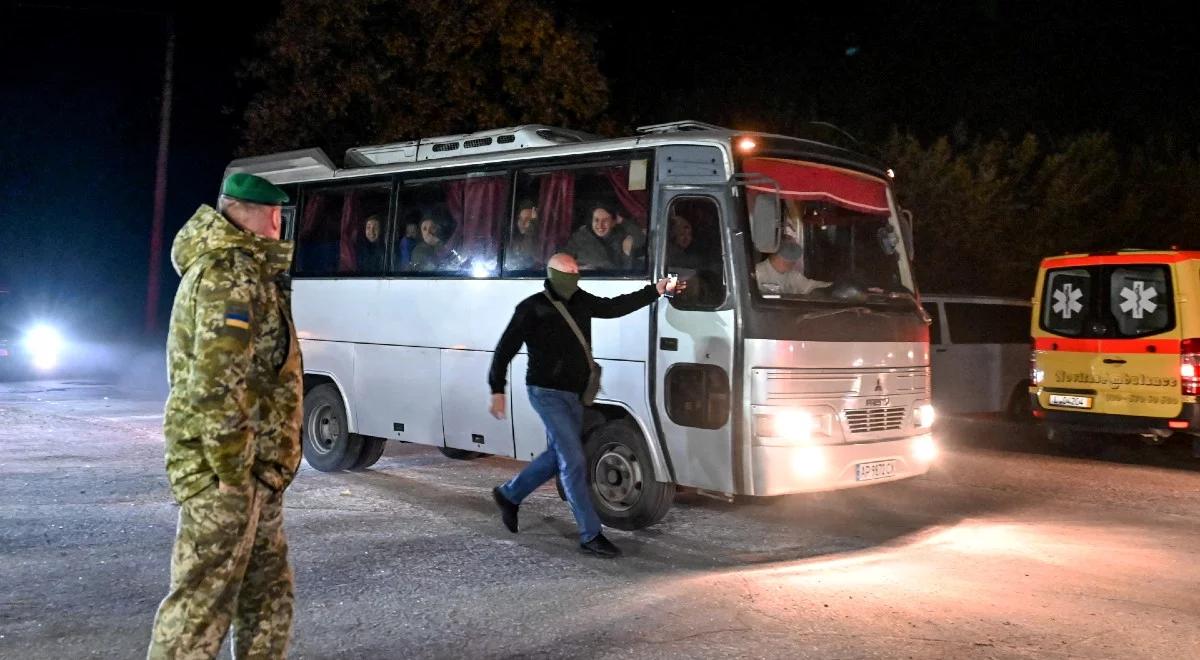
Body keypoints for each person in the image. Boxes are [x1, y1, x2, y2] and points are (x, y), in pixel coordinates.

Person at [148, 172, 303, 659]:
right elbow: (216, 385)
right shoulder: (228, 274)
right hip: (228, 476)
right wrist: (233, 473)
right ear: (260, 214)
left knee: (267, 595)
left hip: (256, 470)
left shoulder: (247, 271)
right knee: (202, 606)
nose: (281, 224)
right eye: (277, 215)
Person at [487, 253, 681, 558]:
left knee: (558, 456)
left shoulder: (580, 300)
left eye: (577, 272)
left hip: (575, 395)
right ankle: (590, 534)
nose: (574, 278)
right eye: (568, 273)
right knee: (574, 460)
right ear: (553, 275)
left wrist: (654, 290)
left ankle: (509, 494)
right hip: (546, 394)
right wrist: (497, 389)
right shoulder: (532, 308)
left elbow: (613, 307)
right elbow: (505, 349)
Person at [564, 204, 645, 271]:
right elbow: (564, 259)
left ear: (613, 222)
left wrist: (622, 221)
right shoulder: (580, 238)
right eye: (596, 220)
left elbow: (640, 239)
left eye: (605, 220)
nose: (600, 225)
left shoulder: (621, 237)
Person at [755, 238, 831, 295]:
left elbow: (808, 285)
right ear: (775, 255)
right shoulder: (757, 273)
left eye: (792, 261)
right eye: (786, 261)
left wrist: (832, 287)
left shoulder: (793, 275)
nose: (791, 264)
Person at [506, 200, 541, 270]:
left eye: (527, 219)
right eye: (520, 219)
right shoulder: (513, 240)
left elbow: (527, 255)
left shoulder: (541, 244)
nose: (522, 223)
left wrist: (532, 226)